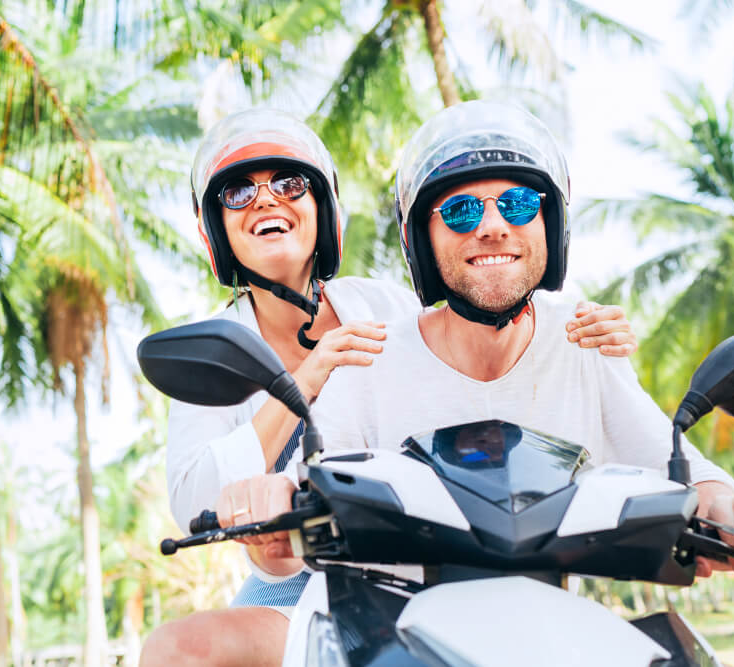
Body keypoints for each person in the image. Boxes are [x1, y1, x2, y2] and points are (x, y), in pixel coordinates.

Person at [214, 100, 734, 601]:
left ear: (550, 226)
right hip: (389, 637)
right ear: (423, 240)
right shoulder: (372, 358)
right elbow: (301, 508)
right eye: (461, 209)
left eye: (519, 204)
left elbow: (672, 465)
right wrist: (270, 509)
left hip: (550, 634)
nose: (493, 225)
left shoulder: (582, 340)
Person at [142, 107, 639, 666]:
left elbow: (477, 331)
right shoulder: (216, 349)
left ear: (323, 212)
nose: (265, 199)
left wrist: (576, 325)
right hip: (296, 566)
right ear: (216, 228)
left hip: (430, 546)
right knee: (183, 651)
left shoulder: (386, 306)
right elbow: (194, 502)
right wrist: (304, 381)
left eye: (289, 183)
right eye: (237, 192)